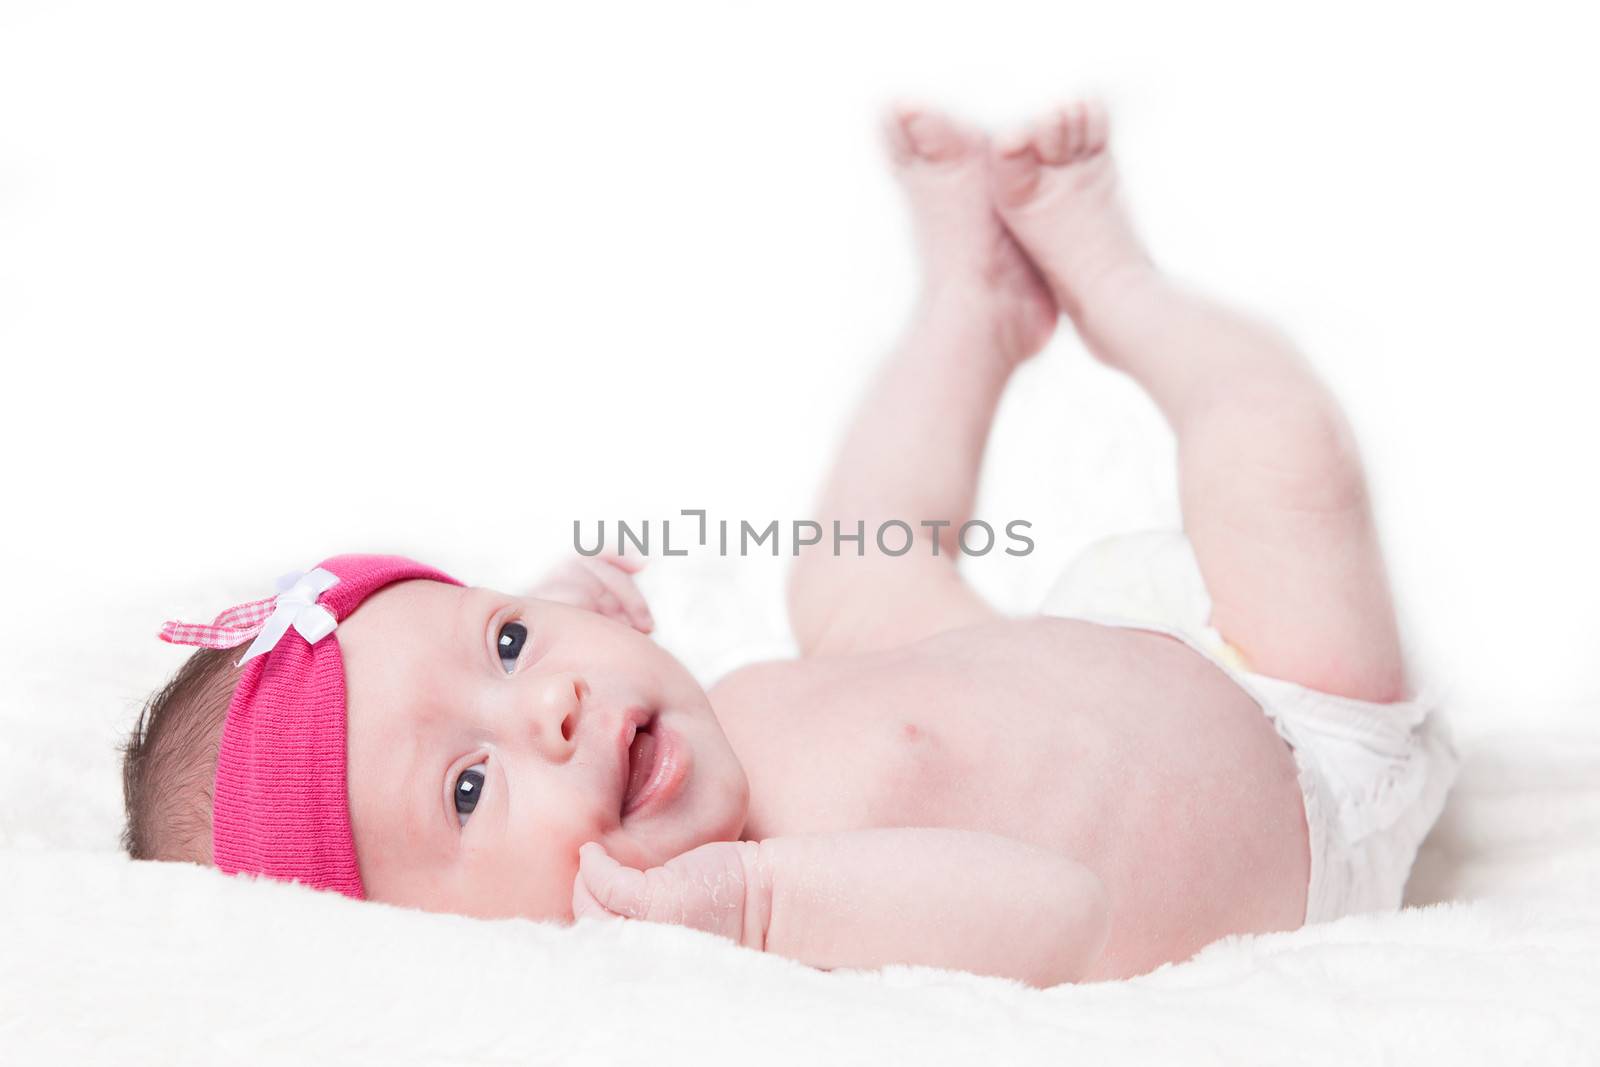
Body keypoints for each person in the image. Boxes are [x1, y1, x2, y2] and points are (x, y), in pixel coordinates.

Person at [122, 100, 1456, 988]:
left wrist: (547, 619)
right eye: (467, 791)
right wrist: (756, 909)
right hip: (1304, 761)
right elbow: (1059, 911)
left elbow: (502, 691)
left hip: (1033, 669)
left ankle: (973, 307)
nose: (555, 707)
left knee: (846, 577)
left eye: (511, 644)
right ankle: (1116, 286)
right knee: (1281, 452)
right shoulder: (743, 955)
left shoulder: (609, 725)